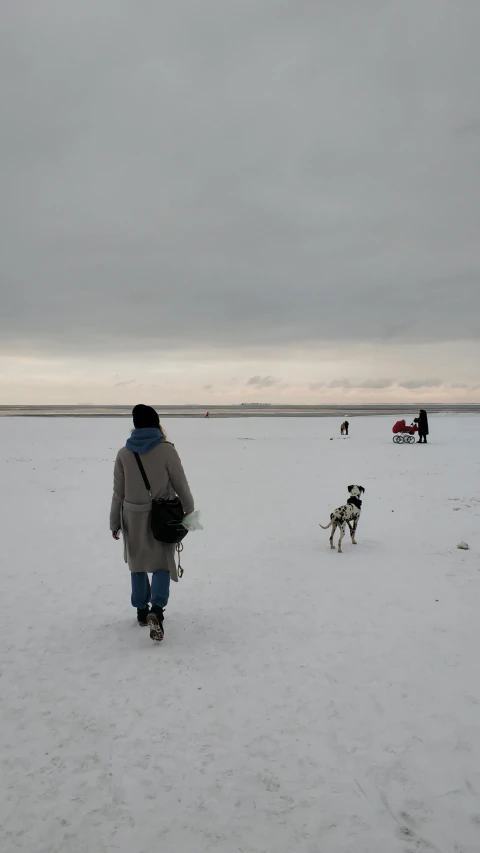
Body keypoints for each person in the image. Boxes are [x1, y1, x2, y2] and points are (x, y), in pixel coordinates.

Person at [110, 404, 194, 641]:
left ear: (135, 425)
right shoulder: (166, 450)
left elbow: (118, 492)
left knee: (137, 564)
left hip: (131, 515)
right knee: (161, 564)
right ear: (156, 423)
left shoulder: (123, 454)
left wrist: (114, 521)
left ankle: (140, 610)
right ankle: (157, 609)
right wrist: (188, 508)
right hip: (161, 515)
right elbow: (180, 482)